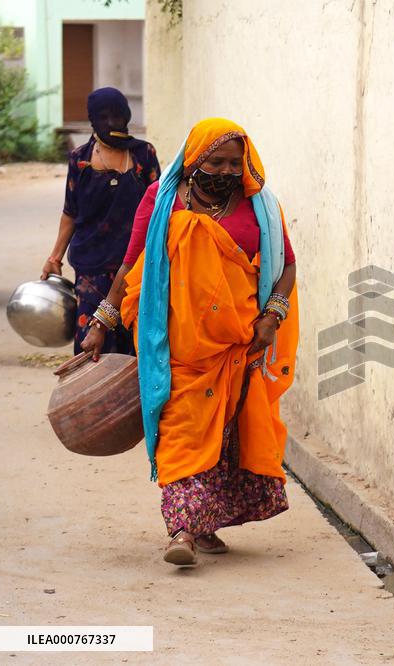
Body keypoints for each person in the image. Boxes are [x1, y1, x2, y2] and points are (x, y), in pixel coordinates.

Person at [81, 118, 299, 566]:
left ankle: (204, 523)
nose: (224, 170)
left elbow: (287, 267)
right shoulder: (161, 200)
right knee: (180, 430)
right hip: (174, 345)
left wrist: (273, 316)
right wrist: (101, 320)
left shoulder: (261, 206)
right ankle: (181, 528)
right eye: (214, 161)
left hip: (237, 343)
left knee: (223, 438)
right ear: (194, 159)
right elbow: (131, 263)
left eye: (234, 163)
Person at [42, 87, 161, 355]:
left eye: (117, 117)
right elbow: (70, 212)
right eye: (103, 117)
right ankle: (91, 397)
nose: (111, 124)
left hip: (135, 264)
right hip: (91, 267)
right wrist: (55, 257)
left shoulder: (144, 154)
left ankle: (134, 398)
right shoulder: (80, 159)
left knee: (135, 342)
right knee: (92, 342)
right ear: (93, 121)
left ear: (127, 117)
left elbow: (160, 208)